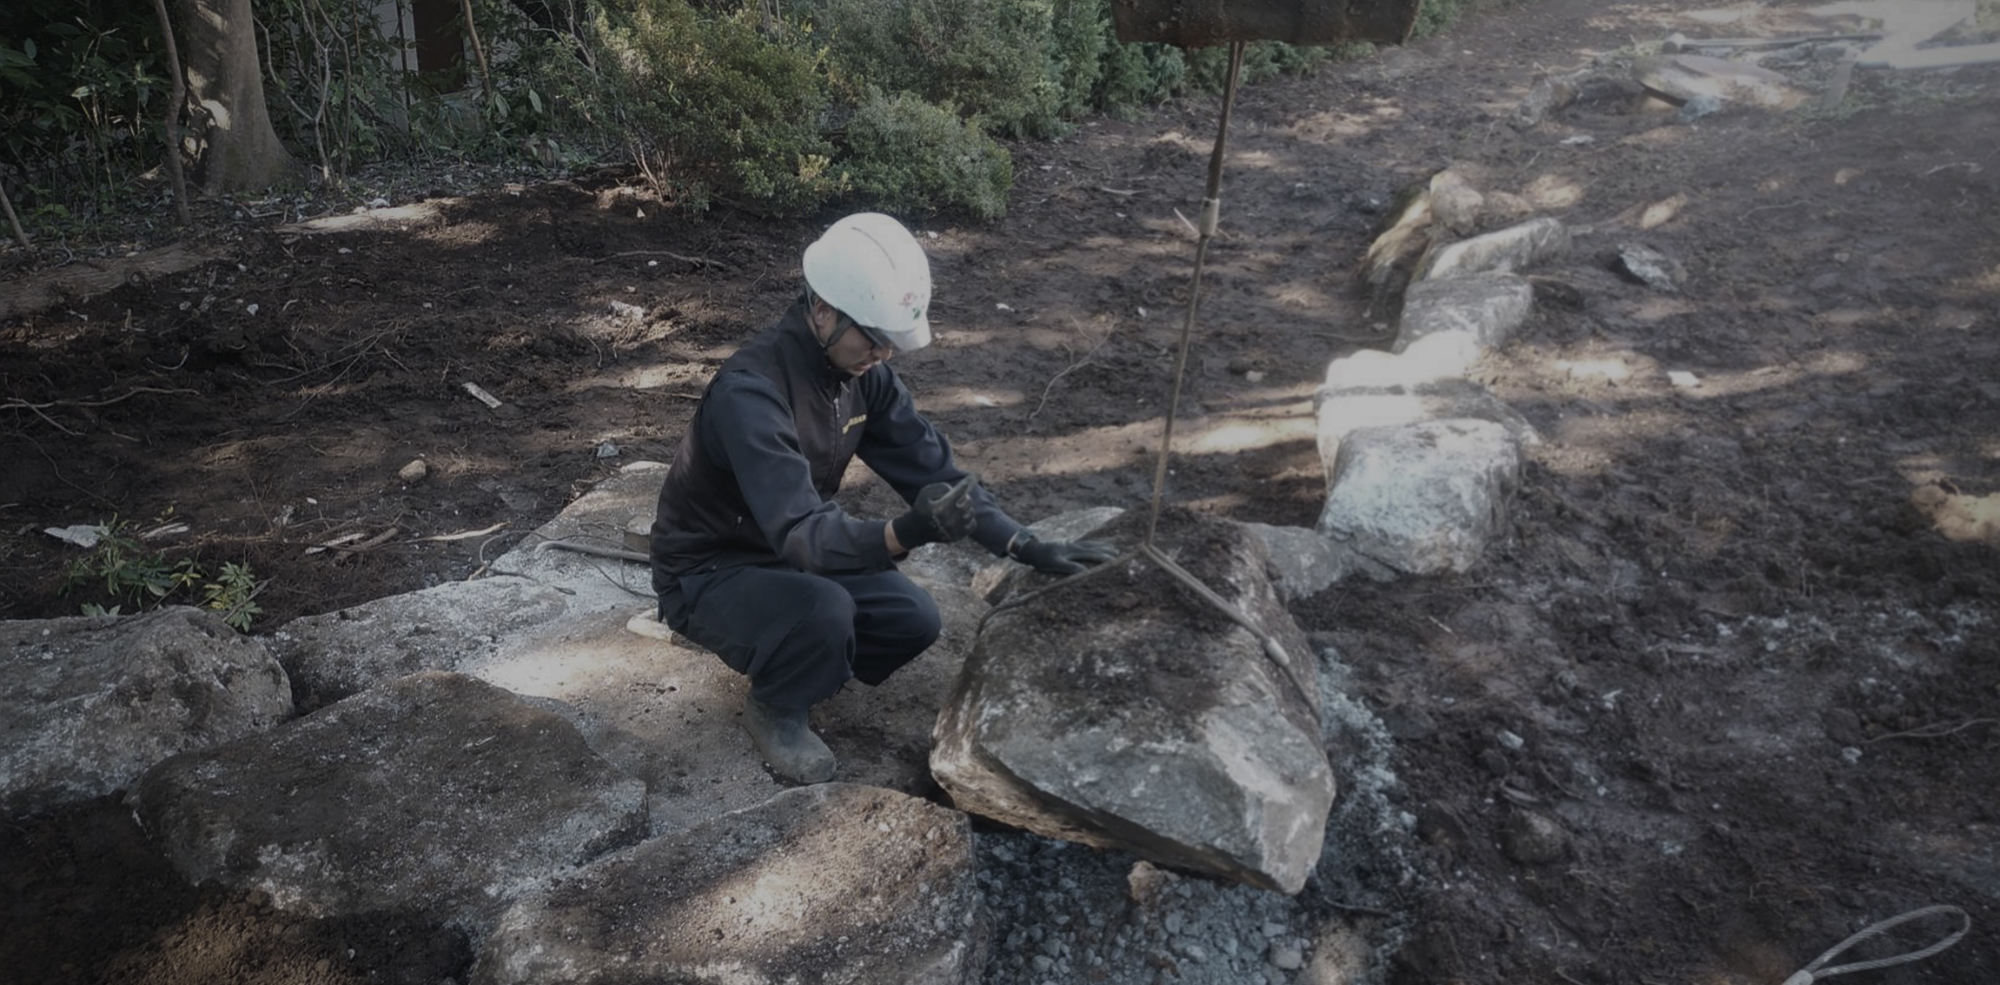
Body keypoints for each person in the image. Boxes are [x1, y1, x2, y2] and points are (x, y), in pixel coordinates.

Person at [649, 212, 1117, 784]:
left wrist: (1022, 543)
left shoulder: (859, 374)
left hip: (785, 553)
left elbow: (934, 470)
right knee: (826, 611)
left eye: (891, 344)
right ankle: (775, 705)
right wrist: (904, 533)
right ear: (823, 310)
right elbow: (802, 532)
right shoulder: (752, 393)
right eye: (874, 338)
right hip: (709, 569)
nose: (883, 355)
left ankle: (795, 652)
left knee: (912, 619)